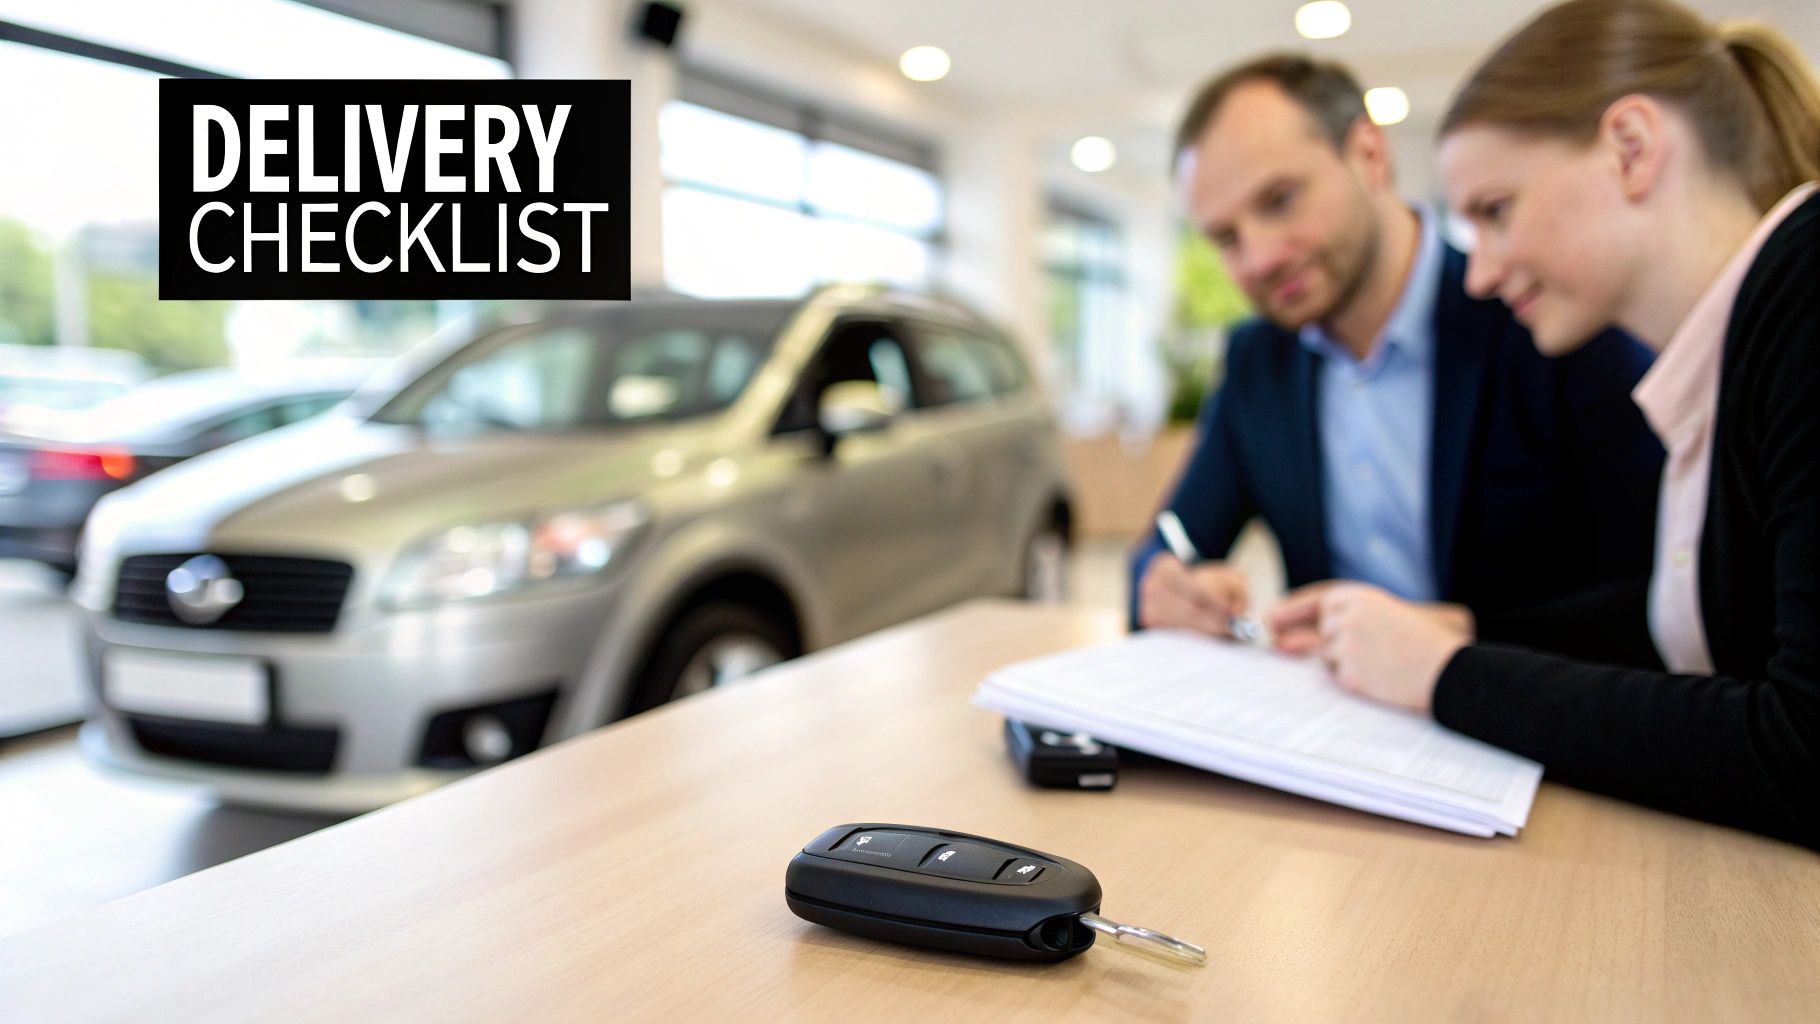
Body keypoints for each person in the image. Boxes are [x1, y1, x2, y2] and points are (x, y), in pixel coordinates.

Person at [1296, 0, 1820, 849]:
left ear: (1633, 149)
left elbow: (1803, 750)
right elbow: (1686, 628)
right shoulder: (1739, 345)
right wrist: (1468, 631)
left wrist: (1446, 675)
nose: (1481, 273)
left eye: (1497, 209)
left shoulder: (1804, 300)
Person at [1134, 55, 1663, 667]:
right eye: (1226, 238)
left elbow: (1670, 599)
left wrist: (1467, 636)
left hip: (1530, 727)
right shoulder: (1260, 362)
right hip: (1331, 728)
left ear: (1369, 155)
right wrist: (1164, 584)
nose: (1257, 260)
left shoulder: (1541, 316)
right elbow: (1168, 546)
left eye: (1280, 201)